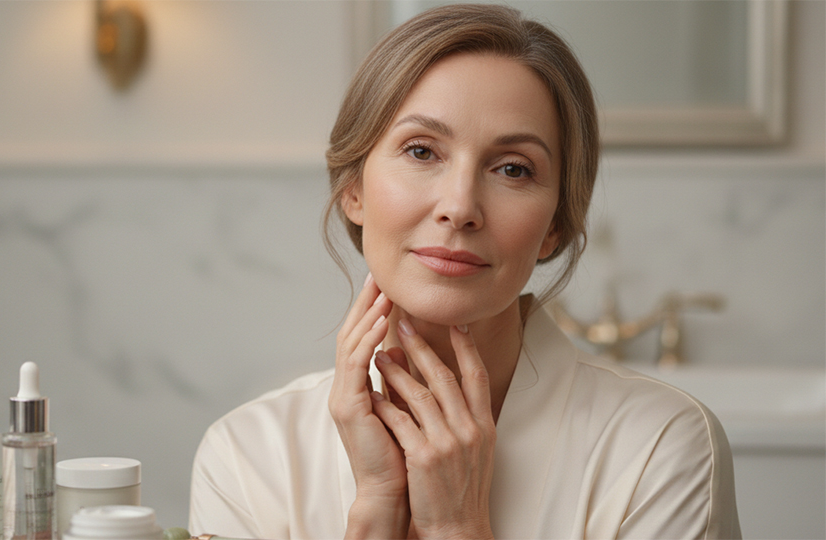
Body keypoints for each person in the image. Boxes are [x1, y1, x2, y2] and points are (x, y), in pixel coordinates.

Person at [188, 4, 741, 539]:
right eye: (422, 152)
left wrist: (457, 528)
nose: (460, 207)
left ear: (555, 225)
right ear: (353, 189)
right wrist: (376, 510)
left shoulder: (663, 446)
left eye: (513, 169)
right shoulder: (247, 457)